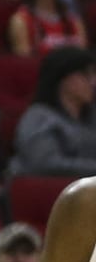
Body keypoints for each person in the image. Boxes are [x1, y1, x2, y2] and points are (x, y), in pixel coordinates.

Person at [11, 47, 96, 179]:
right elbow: (45, 164)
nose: (93, 82)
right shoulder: (39, 117)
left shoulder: (91, 114)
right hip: (49, 192)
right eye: (86, 75)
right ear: (63, 78)